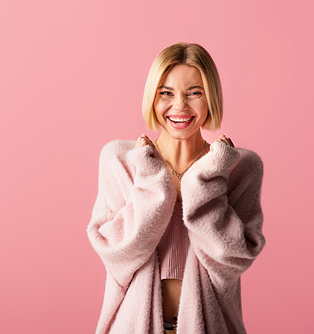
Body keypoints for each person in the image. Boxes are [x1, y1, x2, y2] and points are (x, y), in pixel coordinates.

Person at [87, 42, 265, 334]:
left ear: (211, 98)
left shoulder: (240, 168)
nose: (180, 106)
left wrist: (210, 176)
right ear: (152, 99)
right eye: (166, 93)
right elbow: (118, 253)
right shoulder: (121, 160)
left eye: (194, 93)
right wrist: (149, 177)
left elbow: (231, 259)